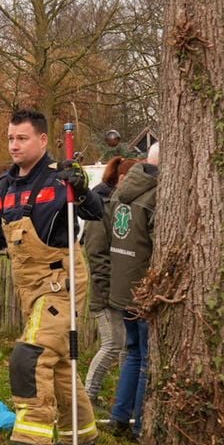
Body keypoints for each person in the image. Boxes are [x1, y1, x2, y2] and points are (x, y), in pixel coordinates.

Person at [0, 109, 104, 445]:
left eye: (22, 138)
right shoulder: (5, 187)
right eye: (10, 138)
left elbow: (96, 212)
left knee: (30, 355)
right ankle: (81, 437)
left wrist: (82, 189)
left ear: (42, 140)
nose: (14, 145)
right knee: (59, 364)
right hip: (28, 286)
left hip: (60, 282)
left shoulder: (60, 179)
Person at [104, 143, 160, 440]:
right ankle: (140, 425)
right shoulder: (156, 196)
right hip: (144, 286)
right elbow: (159, 245)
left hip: (122, 285)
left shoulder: (121, 192)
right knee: (147, 357)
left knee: (133, 353)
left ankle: (119, 417)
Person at [82, 155, 137, 406]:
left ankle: (124, 398)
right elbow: (96, 253)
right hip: (105, 292)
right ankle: (88, 395)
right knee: (112, 344)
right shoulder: (100, 207)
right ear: (122, 179)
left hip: (121, 290)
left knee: (126, 346)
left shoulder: (121, 206)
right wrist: (106, 290)